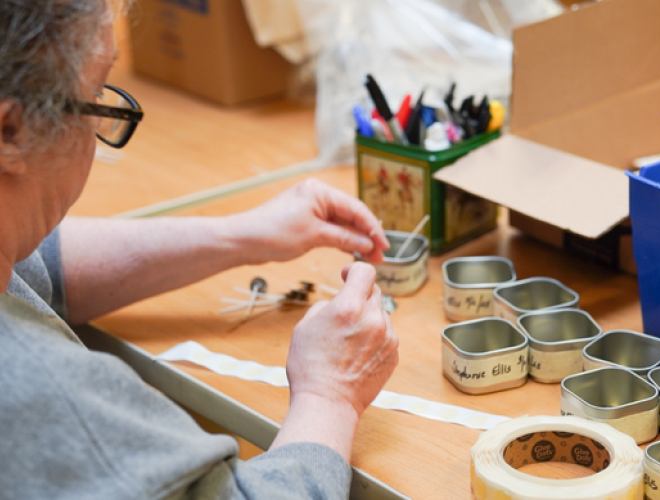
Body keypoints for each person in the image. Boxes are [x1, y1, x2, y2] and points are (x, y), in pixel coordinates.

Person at [0, 1, 399, 499]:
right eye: (97, 94)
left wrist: (243, 234)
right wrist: (331, 394)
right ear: (10, 133)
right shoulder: (41, 396)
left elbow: (37, 265)